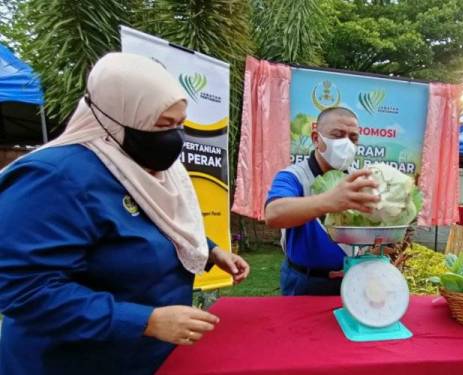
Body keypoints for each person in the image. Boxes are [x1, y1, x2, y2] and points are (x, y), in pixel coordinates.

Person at [0, 53, 249, 375]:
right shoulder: (53, 178)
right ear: (117, 117)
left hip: (141, 357)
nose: (175, 137)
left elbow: (158, 222)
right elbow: (24, 289)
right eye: (162, 125)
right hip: (71, 361)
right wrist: (145, 320)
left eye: (179, 124)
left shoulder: (145, 167)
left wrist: (210, 250)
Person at [265, 107, 379, 296]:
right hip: (303, 283)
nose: (346, 144)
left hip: (350, 279)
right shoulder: (293, 176)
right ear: (316, 138)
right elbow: (273, 214)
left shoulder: (358, 179)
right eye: (338, 135)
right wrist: (329, 200)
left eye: (353, 138)